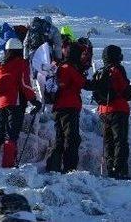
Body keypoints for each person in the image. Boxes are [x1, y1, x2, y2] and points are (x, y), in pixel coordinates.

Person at [0, 39, 40, 169]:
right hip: (15, 103)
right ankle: (8, 166)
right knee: (11, 135)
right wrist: (34, 101)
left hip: (1, 104)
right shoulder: (21, 63)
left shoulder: (0, 66)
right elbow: (24, 84)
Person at [86, 45, 131, 179]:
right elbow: (124, 89)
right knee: (120, 141)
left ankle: (111, 170)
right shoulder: (117, 69)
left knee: (109, 141)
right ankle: (120, 171)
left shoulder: (99, 71)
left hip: (104, 110)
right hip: (118, 109)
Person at [45, 42, 86, 173]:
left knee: (60, 138)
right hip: (70, 106)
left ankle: (53, 166)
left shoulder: (60, 66)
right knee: (72, 138)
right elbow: (82, 83)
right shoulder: (70, 68)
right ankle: (69, 169)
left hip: (58, 106)